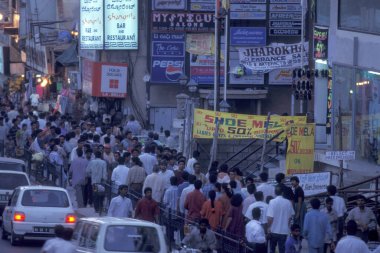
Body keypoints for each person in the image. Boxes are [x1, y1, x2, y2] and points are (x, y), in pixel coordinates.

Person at [267, 185, 295, 253]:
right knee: (282, 250)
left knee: (272, 250)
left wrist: (268, 227)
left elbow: (270, 217)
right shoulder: (288, 202)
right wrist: (288, 227)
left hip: (273, 230)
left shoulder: (272, 202)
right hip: (284, 231)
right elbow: (290, 217)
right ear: (282, 193)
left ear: (275, 193)